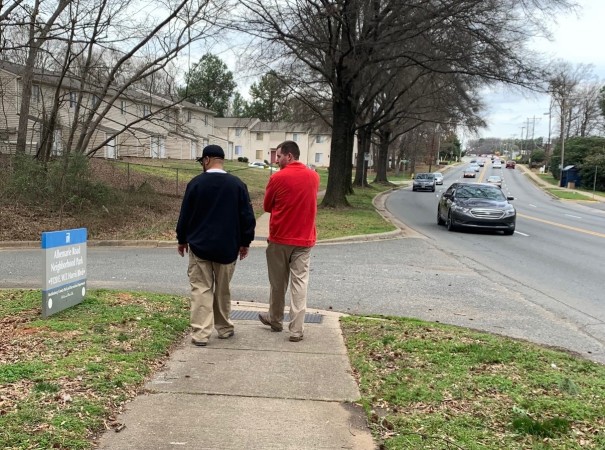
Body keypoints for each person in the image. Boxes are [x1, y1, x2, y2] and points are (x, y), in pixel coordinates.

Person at [176, 144, 256, 347]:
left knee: (201, 289)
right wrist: (245, 242)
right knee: (223, 289)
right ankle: (224, 328)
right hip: (228, 247)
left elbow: (185, 214)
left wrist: (182, 239)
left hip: (199, 246)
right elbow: (247, 217)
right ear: (222, 160)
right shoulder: (237, 185)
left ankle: (201, 333)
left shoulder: (195, 184)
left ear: (206, 160)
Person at [258, 140, 320, 342]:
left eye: (279, 156)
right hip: (304, 239)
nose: (276, 160)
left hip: (280, 238)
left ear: (289, 156)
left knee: (278, 282)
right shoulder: (314, 177)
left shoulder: (277, 178)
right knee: (300, 283)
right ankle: (296, 329)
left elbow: (267, 206)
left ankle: (275, 320)